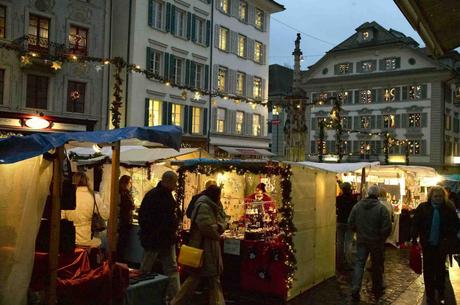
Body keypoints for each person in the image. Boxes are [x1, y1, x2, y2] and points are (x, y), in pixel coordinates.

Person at [171, 185, 226, 305]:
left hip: (207, 247)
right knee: (205, 279)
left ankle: (177, 302)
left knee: (204, 279)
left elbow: (220, 220)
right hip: (204, 248)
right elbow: (208, 228)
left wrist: (219, 226)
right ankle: (177, 302)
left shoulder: (211, 205)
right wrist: (219, 228)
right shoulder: (204, 206)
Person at [411, 186, 459, 305]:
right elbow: (416, 224)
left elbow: (455, 226)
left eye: (440, 196)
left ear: (444, 197)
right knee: (428, 271)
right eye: (436, 196)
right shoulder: (423, 208)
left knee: (440, 270)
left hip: (442, 245)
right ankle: (430, 295)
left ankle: (441, 292)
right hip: (427, 245)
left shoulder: (448, 209)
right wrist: (413, 239)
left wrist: (449, 239)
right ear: (431, 196)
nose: (438, 198)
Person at [138, 171, 180, 303]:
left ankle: (141, 295)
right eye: (175, 183)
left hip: (159, 238)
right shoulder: (159, 197)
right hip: (159, 238)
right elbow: (146, 219)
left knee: (148, 267)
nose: (176, 185)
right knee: (165, 268)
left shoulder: (154, 195)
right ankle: (175, 297)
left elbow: (143, 217)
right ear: (170, 182)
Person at [348, 185, 392, 301]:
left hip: (362, 240)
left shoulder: (357, 206)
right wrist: (381, 238)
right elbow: (387, 227)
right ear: (377, 195)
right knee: (376, 265)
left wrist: (358, 232)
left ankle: (355, 287)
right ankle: (376, 287)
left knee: (359, 264)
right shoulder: (381, 209)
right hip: (376, 242)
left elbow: (350, 222)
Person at [62, 172, 107, 248]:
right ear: (87, 181)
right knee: (98, 241)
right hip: (87, 239)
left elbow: (61, 216)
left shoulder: (67, 196)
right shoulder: (94, 196)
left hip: (68, 239)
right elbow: (106, 215)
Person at [336, 182, 357, 272]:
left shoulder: (338, 199)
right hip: (349, 223)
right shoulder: (353, 200)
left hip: (340, 222)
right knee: (348, 243)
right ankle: (348, 262)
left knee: (339, 243)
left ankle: (339, 262)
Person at [117, 175, 135, 262]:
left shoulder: (120, 192)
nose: (131, 184)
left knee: (122, 242)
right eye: (130, 182)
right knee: (123, 242)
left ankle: (120, 259)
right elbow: (129, 206)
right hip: (124, 220)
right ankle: (120, 260)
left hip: (123, 220)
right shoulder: (125, 193)